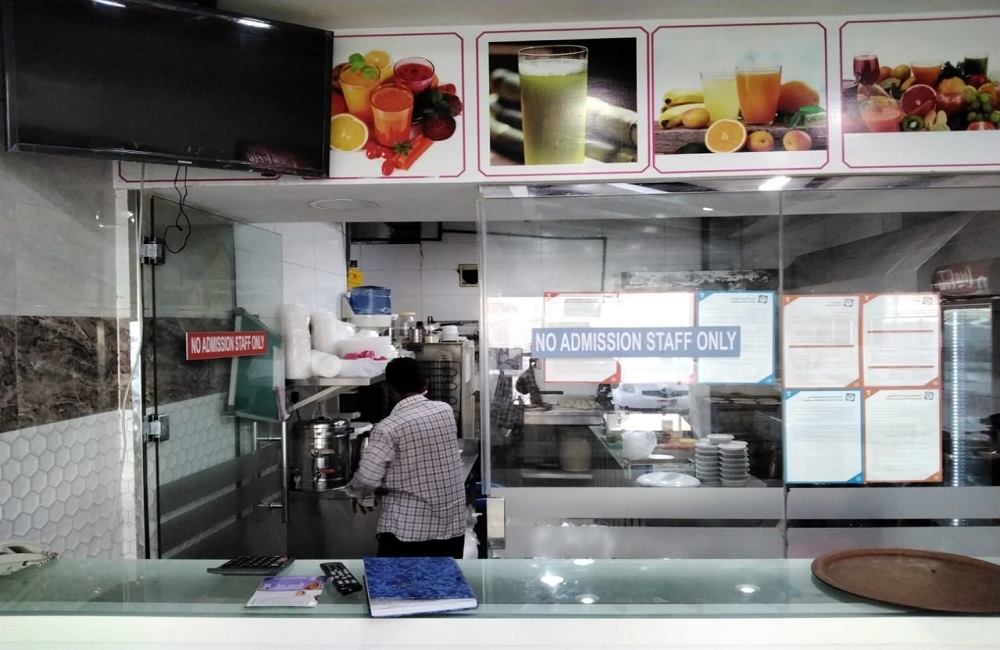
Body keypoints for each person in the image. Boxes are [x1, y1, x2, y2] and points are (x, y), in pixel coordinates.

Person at [347, 357, 466, 558]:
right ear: (425, 384)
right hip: (451, 527)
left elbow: (367, 477)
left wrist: (360, 494)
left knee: (398, 579)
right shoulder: (445, 410)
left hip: (408, 531)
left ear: (386, 388)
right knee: (443, 578)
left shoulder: (387, 427)